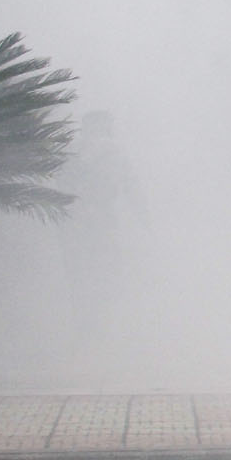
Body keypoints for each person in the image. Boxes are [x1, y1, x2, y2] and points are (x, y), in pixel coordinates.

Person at [59, 110, 145, 348]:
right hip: (99, 220)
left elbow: (61, 185)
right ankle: (96, 329)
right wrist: (145, 220)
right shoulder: (114, 153)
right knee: (103, 273)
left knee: (80, 276)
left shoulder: (72, 152)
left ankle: (86, 329)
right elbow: (131, 187)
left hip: (76, 221)